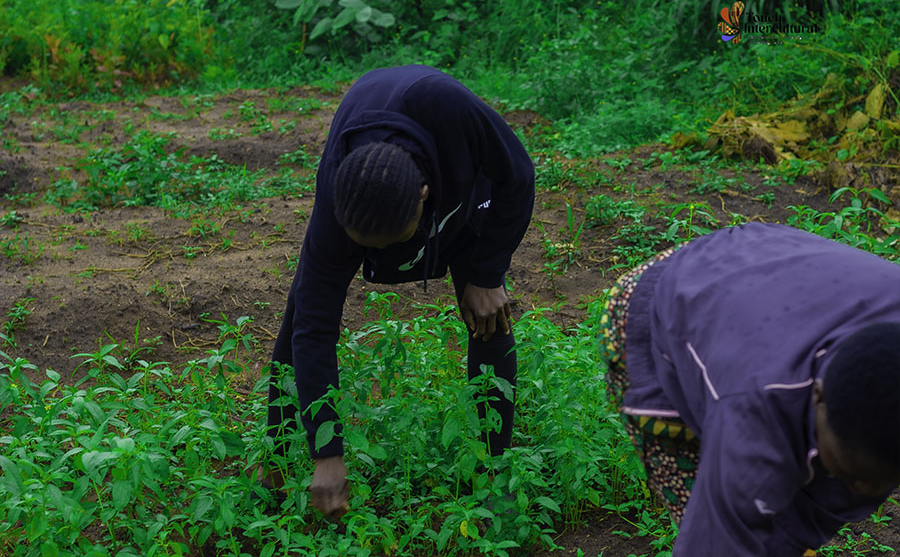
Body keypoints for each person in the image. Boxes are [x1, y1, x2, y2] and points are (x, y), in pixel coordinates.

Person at [262, 65, 535, 516]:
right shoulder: (338, 204)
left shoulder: (449, 108)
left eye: (393, 245)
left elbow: (519, 175)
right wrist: (327, 453)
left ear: (424, 196)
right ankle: (276, 452)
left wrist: (487, 274)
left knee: (489, 316)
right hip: (371, 186)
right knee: (301, 314)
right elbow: (314, 328)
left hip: (461, 186)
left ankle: (493, 472)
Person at [599, 222, 900, 555]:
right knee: (724, 515)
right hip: (661, 302)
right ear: (819, 396)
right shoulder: (753, 420)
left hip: (768, 261)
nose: (866, 493)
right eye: (853, 474)